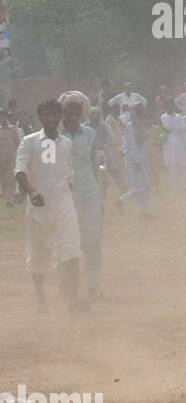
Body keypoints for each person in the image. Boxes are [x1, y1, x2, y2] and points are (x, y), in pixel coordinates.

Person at [15, 99, 81, 312]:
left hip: (64, 204)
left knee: (70, 249)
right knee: (38, 254)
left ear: (60, 116)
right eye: (46, 115)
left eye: (54, 115)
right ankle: (41, 298)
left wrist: (70, 194)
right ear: (40, 117)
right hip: (39, 208)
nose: (51, 119)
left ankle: (71, 298)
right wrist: (32, 191)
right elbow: (20, 171)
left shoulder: (67, 144)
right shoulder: (29, 141)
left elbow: (68, 172)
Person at [57, 92, 105, 301]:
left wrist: (100, 194)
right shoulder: (56, 136)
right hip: (65, 196)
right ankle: (66, 287)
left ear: (82, 110)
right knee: (67, 242)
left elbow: (94, 164)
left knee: (93, 240)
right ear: (63, 111)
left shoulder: (90, 134)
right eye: (70, 108)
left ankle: (93, 286)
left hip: (90, 192)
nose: (74, 112)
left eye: (77, 108)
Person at [118, 103, 153, 215]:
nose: (143, 112)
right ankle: (123, 200)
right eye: (141, 110)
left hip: (141, 157)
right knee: (143, 184)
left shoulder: (140, 125)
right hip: (134, 159)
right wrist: (136, 160)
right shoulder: (130, 126)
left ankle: (144, 210)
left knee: (143, 185)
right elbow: (131, 145)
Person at [159, 99, 186, 190]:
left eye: (172, 105)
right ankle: (173, 186)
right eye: (168, 105)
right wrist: (176, 128)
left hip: (180, 142)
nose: (170, 107)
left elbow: (184, 128)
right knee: (172, 164)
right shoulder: (163, 116)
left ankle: (182, 185)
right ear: (165, 106)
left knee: (182, 163)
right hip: (169, 143)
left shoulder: (178, 116)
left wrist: (173, 129)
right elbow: (166, 128)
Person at [0, 109, 20, 202]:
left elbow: (18, 143)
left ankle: (10, 199)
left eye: (4, 116)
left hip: (12, 157)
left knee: (11, 178)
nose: (3, 118)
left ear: (7, 118)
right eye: (1, 116)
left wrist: (18, 155)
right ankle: (4, 195)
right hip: (1, 158)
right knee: (2, 177)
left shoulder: (13, 129)